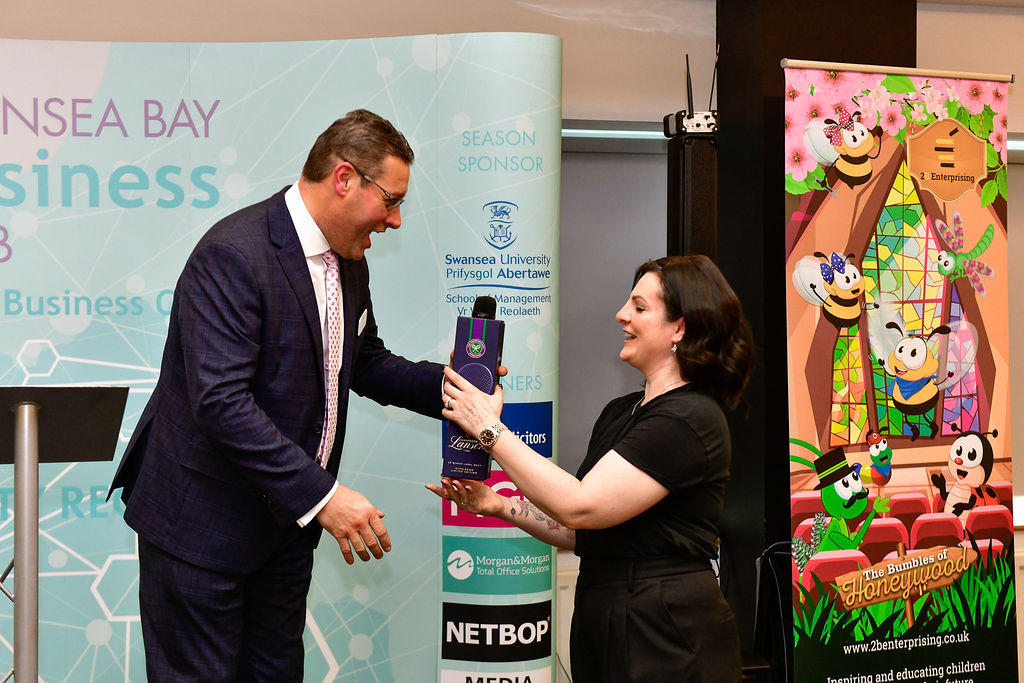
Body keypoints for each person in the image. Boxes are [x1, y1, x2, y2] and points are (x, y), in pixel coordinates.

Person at [109, 109, 447, 682]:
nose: (394, 220)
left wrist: (451, 388)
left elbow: (361, 360)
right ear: (345, 179)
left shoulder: (348, 261)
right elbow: (221, 402)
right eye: (391, 200)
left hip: (284, 527)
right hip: (202, 525)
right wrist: (323, 496)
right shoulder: (234, 254)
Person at [429, 255, 754, 683]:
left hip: (665, 626)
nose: (621, 314)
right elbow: (580, 529)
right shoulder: (621, 411)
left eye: (639, 307)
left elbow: (581, 506)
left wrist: (487, 427)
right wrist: (500, 505)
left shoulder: (689, 417)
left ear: (680, 328)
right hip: (604, 613)